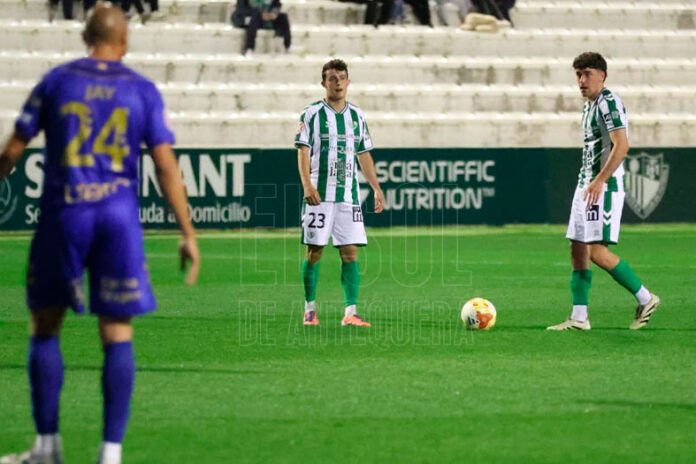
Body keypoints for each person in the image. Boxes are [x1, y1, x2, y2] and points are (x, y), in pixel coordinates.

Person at [0, 4, 200, 464]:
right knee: (117, 331)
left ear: (84, 37)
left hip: (65, 214)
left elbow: (12, 149)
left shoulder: (57, 81)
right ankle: (110, 454)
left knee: (45, 326)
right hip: (118, 219)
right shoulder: (141, 89)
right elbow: (166, 165)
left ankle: (47, 447)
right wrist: (187, 232)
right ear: (124, 41)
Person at [547, 52, 660, 331]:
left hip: (603, 186)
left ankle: (646, 298)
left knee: (596, 251)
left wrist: (599, 181)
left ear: (602, 75)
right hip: (586, 184)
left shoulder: (609, 102)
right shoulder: (589, 106)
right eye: (578, 74)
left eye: (587, 74)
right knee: (578, 247)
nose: (581, 80)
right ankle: (579, 317)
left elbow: (622, 145)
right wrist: (589, 182)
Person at [294, 59, 385, 327]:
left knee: (350, 252)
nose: (338, 83)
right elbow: (303, 151)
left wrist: (376, 187)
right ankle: (309, 310)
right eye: (332, 78)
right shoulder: (311, 114)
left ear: (348, 82)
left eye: (342, 78)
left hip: (348, 195)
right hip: (319, 195)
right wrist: (307, 185)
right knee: (315, 251)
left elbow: (363, 153)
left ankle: (351, 312)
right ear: (323, 83)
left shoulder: (357, 115)